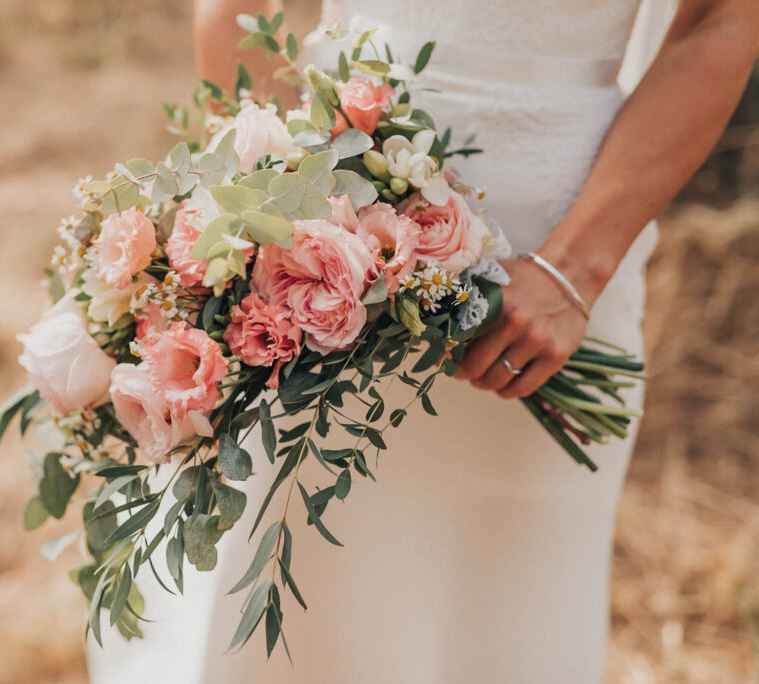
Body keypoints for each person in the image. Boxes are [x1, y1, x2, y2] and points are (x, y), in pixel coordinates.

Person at [87, 1, 759, 682]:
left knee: (509, 595)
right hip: (322, 211)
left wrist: (571, 269)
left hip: (566, 227)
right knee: (299, 576)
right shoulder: (302, 227)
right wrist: (280, 204)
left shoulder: (568, 272)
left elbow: (723, 17)